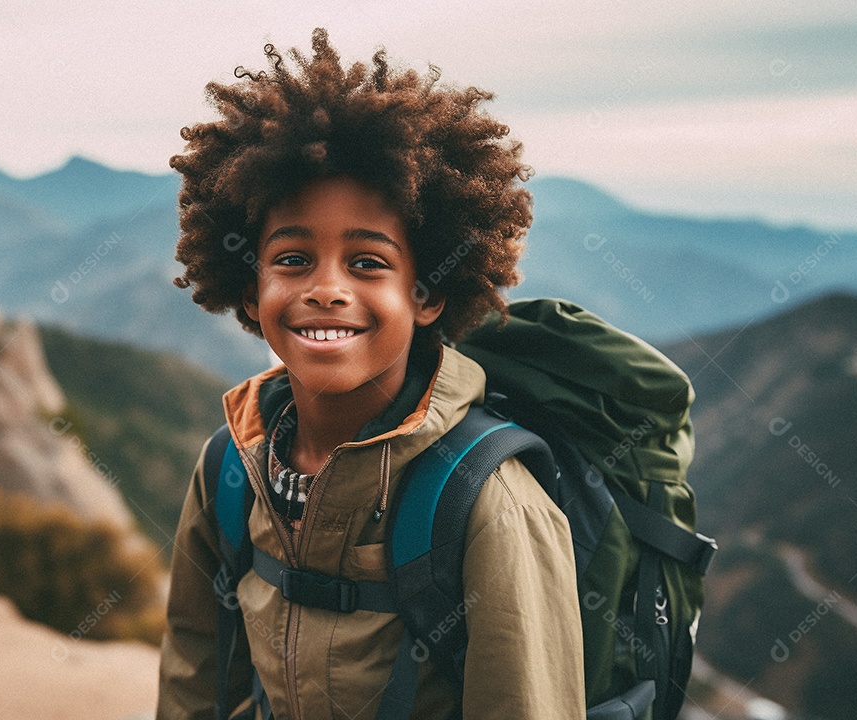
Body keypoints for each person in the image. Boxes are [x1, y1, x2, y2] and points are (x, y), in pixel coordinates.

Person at [157, 28, 585, 720]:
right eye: (292, 260)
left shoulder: (489, 502)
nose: (327, 289)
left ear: (426, 295)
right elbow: (194, 677)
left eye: (368, 263)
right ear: (249, 290)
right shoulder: (230, 469)